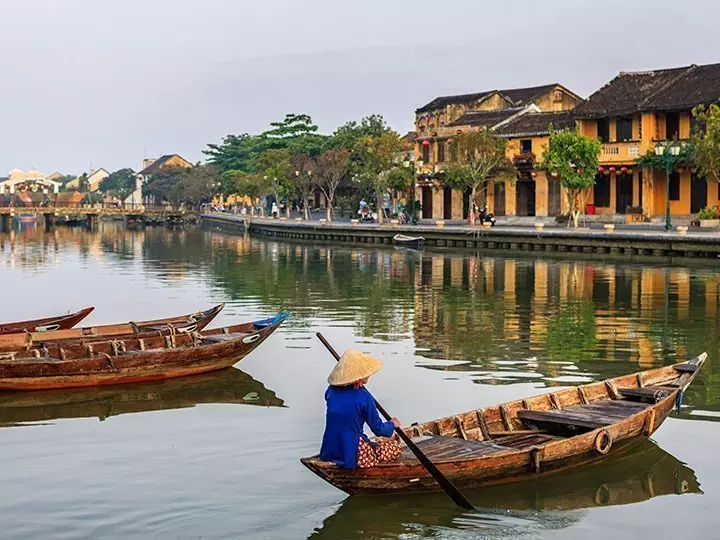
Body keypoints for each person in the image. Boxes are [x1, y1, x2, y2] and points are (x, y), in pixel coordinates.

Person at [319, 350, 403, 468]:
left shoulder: (330, 392)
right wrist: (392, 424)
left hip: (329, 450)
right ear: (360, 379)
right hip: (352, 453)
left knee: (376, 440)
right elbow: (378, 429)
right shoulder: (364, 397)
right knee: (396, 447)